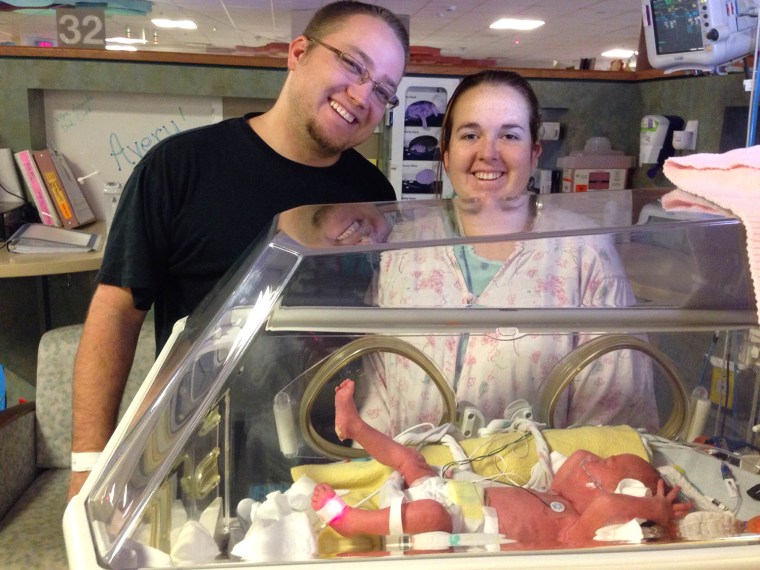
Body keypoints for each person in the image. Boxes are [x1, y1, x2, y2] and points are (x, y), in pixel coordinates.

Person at [68, 0, 409, 500]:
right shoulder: (179, 166)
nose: (363, 95)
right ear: (298, 54)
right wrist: (89, 467)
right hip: (199, 462)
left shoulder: (373, 192)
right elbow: (116, 314)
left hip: (332, 463)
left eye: (383, 89)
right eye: (353, 64)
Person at [357, 70, 658, 436]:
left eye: (509, 135)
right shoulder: (403, 250)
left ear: (534, 154)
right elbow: (376, 387)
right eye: (471, 135)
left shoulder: (585, 253)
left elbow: (614, 413)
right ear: (447, 153)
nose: (488, 153)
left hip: (539, 487)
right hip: (414, 486)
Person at [311, 379, 690, 547]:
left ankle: (350, 522)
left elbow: (606, 505)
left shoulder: (576, 532)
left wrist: (653, 509)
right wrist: (585, 465)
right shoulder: (553, 494)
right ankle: (355, 426)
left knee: (430, 515)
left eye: (606, 461)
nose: (590, 457)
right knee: (412, 461)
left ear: (622, 499)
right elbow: (573, 461)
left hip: (454, 525)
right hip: (458, 496)